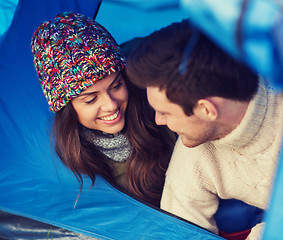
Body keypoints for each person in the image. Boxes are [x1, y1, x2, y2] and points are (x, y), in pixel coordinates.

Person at [126, 20, 283, 239]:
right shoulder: (196, 148)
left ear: (206, 109)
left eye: (165, 112)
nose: (157, 121)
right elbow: (179, 231)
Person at [30, 12, 175, 207]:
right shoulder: (61, 165)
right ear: (66, 108)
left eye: (116, 86)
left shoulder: (159, 111)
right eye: (90, 99)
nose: (111, 105)